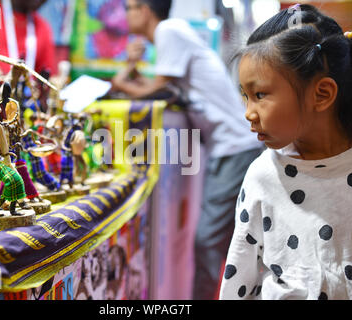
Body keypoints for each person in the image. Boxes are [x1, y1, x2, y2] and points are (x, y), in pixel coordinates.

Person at [112, 0, 263, 300]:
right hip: (230, 148)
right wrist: (130, 68)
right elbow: (158, 88)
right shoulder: (171, 35)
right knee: (230, 240)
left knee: (207, 241)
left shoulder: (169, 29)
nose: (124, 13)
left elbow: (152, 89)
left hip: (234, 148)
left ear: (145, 9)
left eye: (129, 7)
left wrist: (120, 79)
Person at [219, 4, 352, 300]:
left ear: (322, 94)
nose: (249, 113)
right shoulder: (262, 176)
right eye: (245, 97)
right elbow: (240, 277)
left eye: (260, 95)